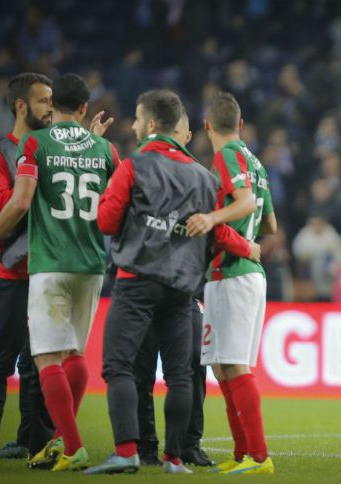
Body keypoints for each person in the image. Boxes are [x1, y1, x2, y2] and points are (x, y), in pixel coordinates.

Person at [84, 90, 260, 475]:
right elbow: (215, 230)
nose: (133, 125)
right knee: (181, 375)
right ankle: (175, 459)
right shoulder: (203, 176)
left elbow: (107, 222)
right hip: (182, 287)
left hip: (137, 281)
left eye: (136, 118)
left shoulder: (133, 166)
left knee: (119, 365)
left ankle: (127, 451)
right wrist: (247, 246)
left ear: (150, 124)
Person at [0, 73, 121, 472]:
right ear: (85, 107)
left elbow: (20, 202)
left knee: (46, 358)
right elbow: (119, 200)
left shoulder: (36, 144)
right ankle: (57, 439)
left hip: (50, 263)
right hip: (92, 264)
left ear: (54, 105)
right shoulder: (106, 148)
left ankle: (71, 445)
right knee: (74, 353)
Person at [186, 91, 277, 475]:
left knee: (235, 366)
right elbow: (270, 223)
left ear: (207, 126)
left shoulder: (226, 156)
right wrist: (246, 235)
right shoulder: (256, 163)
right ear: (240, 124)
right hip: (244, 273)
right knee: (223, 368)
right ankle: (241, 454)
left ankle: (259, 456)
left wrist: (212, 218)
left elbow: (246, 204)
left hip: (233, 274)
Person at [0, 72, 55, 470]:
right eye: (43, 101)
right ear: (21, 106)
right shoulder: (0, 154)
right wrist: (34, 189)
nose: (51, 107)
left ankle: (37, 445)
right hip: (12, 275)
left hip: (48, 272)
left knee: (39, 365)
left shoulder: (50, 149)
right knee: (0, 364)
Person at [132, 113, 218, 468]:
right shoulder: (141, 173)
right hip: (145, 286)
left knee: (191, 367)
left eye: (178, 131)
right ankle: (146, 446)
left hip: (183, 291)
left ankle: (187, 444)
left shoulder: (200, 180)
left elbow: (211, 234)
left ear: (186, 135)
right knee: (141, 371)